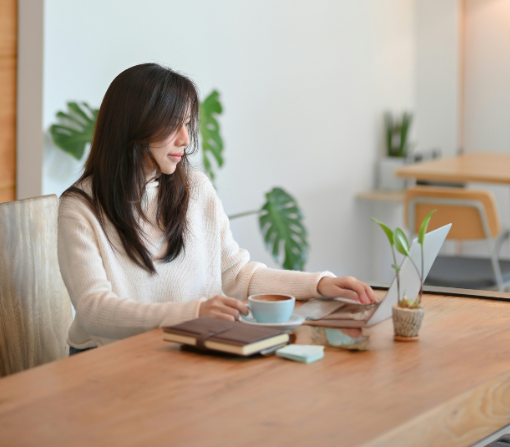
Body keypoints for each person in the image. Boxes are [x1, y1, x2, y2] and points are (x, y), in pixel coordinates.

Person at [58, 63, 377, 352]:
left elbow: (236, 274)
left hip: (183, 349)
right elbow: (94, 310)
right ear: (134, 127)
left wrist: (318, 285)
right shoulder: (80, 208)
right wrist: (194, 312)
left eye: (187, 124)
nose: (185, 138)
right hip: (109, 362)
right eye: (173, 124)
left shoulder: (195, 190)